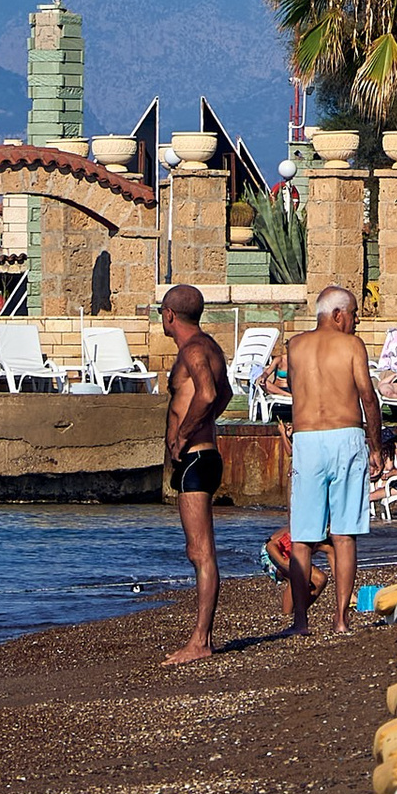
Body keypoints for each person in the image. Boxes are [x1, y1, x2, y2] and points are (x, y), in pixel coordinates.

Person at [281, 287, 383, 637]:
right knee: (344, 534)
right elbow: (368, 397)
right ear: (338, 315)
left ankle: (300, 622)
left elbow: (299, 393)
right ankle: (340, 619)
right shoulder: (351, 346)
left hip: (307, 439)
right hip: (346, 435)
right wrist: (376, 446)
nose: (355, 321)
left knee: (302, 538)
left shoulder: (294, 346)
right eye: (354, 314)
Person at [157, 284, 232, 665]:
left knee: (201, 553)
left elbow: (205, 394)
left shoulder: (194, 350)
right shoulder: (210, 346)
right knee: (198, 551)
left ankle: (201, 641)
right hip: (202, 456)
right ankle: (201, 636)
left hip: (197, 459)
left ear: (169, 315)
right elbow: (226, 394)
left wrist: (184, 435)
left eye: (161, 314)